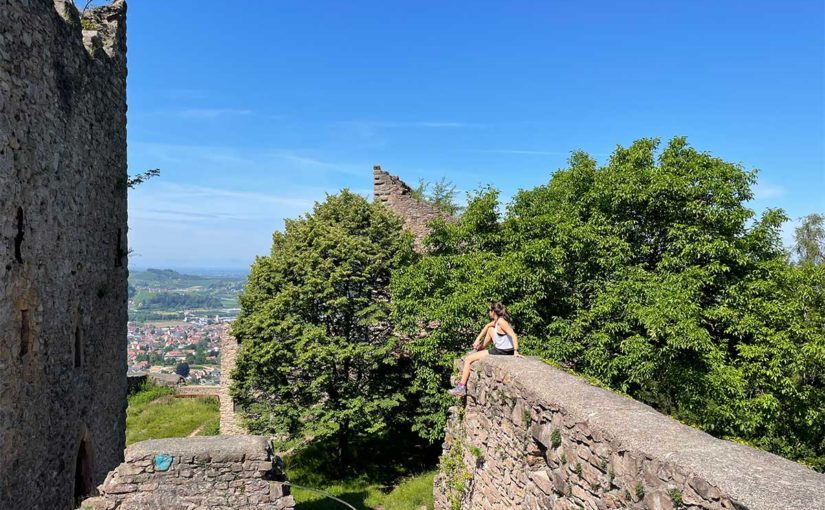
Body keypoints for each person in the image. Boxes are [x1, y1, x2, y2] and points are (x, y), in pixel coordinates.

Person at [448, 302, 521, 397]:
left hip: (502, 351)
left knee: (468, 359)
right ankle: (482, 348)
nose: (488, 313)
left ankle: (461, 387)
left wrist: (516, 351)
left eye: (489, 311)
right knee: (490, 329)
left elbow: (513, 335)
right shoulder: (498, 320)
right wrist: (477, 339)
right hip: (502, 349)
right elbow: (487, 326)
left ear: (493, 312)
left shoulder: (502, 322)